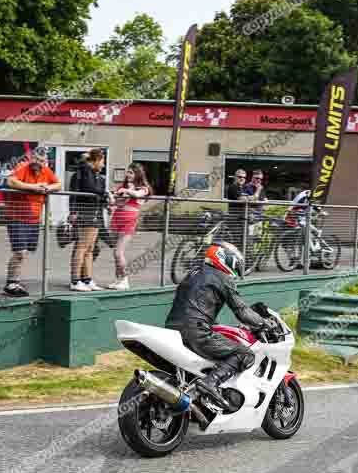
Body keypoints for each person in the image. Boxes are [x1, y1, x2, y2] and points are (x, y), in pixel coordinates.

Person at [165, 242, 268, 408]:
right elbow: (242, 311)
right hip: (196, 331)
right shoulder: (222, 278)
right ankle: (211, 382)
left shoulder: (193, 273)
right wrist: (263, 323)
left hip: (172, 328)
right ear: (225, 259)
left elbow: (194, 306)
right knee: (244, 354)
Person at [2, 146, 61, 296]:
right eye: (36, 159)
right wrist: (34, 187)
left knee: (25, 252)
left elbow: (58, 185)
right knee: (20, 251)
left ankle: (14, 280)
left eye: (42, 161)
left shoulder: (45, 171)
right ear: (31, 159)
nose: (39, 163)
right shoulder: (23, 167)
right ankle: (11, 283)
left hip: (33, 218)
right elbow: (11, 182)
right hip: (17, 216)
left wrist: (47, 188)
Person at [69, 148, 113, 291]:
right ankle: (75, 281)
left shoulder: (94, 174)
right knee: (82, 247)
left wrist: (106, 202)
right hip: (86, 213)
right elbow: (89, 189)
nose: (103, 165)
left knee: (89, 249)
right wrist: (106, 193)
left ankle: (87, 279)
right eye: (102, 162)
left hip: (94, 213)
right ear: (96, 160)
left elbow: (96, 191)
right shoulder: (85, 171)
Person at [107, 163, 151, 290]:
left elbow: (137, 195)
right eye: (128, 172)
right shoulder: (123, 187)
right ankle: (118, 279)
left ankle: (125, 279)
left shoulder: (143, 188)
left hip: (129, 221)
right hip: (117, 219)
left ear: (138, 174)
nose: (128, 174)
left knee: (118, 252)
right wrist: (111, 198)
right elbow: (116, 203)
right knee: (115, 252)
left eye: (131, 172)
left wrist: (126, 190)